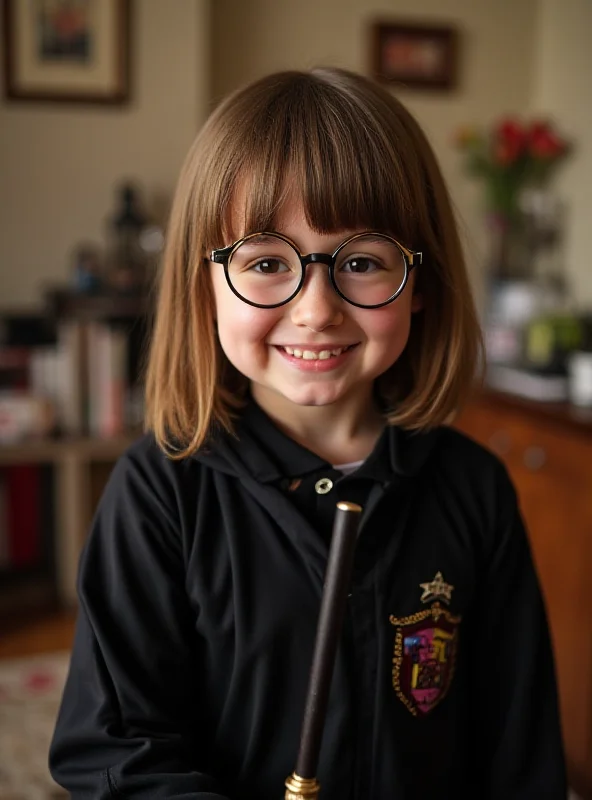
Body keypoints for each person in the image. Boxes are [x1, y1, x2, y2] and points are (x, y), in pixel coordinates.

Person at [49, 67, 567, 799]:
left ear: (420, 284)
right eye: (266, 262)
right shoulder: (158, 492)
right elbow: (116, 753)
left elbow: (521, 751)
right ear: (207, 285)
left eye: (360, 263)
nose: (316, 310)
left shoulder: (474, 489)